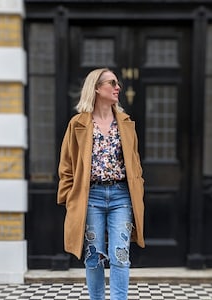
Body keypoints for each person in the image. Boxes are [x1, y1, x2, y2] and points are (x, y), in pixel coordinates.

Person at [57, 68, 145, 300]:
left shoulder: (125, 123)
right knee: (93, 256)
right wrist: (69, 197)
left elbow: (135, 164)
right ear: (96, 87)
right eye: (112, 83)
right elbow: (66, 165)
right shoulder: (77, 124)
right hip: (91, 196)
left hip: (121, 196)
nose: (118, 87)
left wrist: (138, 188)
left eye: (117, 83)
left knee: (120, 254)